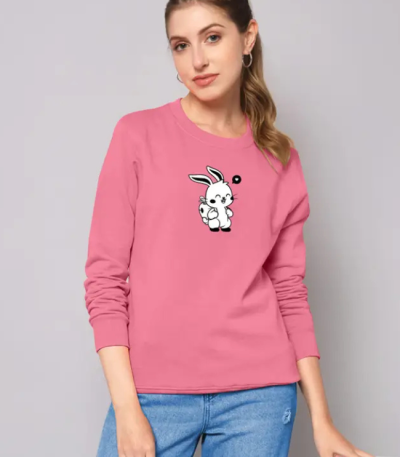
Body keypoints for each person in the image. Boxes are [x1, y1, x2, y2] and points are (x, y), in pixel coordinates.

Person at [83, 1, 375, 457]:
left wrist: (322, 420)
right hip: (152, 393)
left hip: (259, 397)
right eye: (181, 45)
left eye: (213, 37)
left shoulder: (280, 158)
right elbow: (104, 280)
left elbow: (289, 291)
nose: (197, 60)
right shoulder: (137, 135)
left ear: (248, 37)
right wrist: (126, 407)